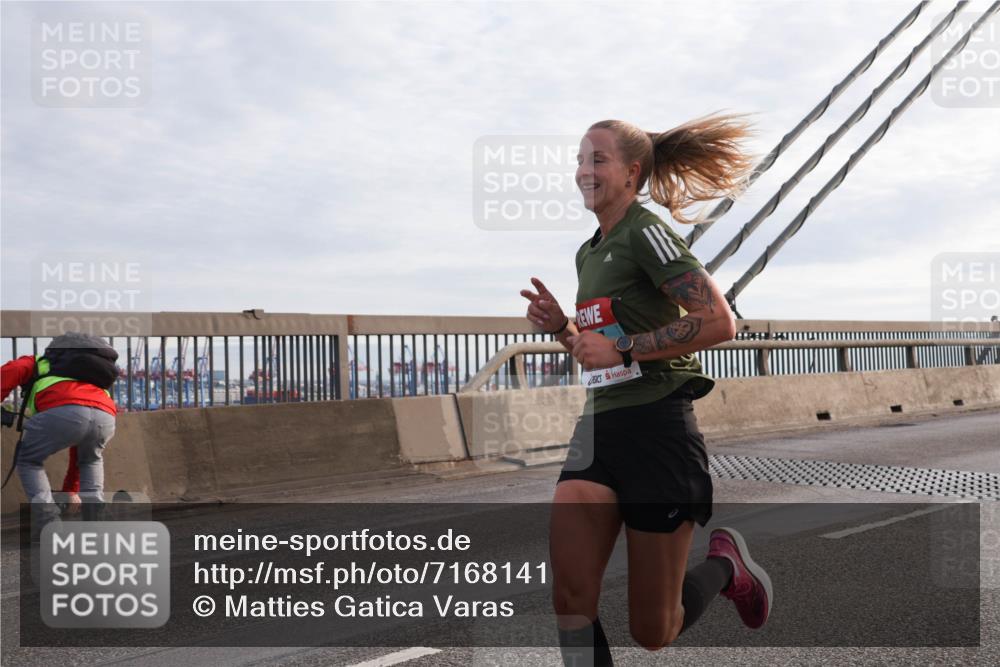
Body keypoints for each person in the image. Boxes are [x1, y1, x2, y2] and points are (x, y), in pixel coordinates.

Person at [520, 114, 773, 665]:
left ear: (632, 173)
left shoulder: (646, 231)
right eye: (580, 161)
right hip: (599, 432)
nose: (584, 171)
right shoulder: (590, 253)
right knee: (569, 600)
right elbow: (601, 350)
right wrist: (564, 327)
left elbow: (718, 322)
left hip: (657, 430)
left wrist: (628, 347)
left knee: (654, 630)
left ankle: (728, 567)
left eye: (598, 160)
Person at [1, 332, 118, 528]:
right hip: (105, 415)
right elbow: (77, 451)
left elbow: (11, 371)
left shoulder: (39, 362)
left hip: (63, 413)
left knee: (29, 460)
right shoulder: (93, 380)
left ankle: (49, 525)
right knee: (90, 460)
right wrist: (70, 491)